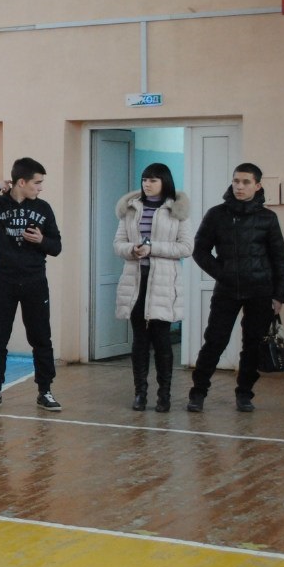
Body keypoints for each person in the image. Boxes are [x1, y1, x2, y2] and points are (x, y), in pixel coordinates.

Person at [187, 163, 284, 413]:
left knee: (252, 345)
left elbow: (279, 259)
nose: (239, 186)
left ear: (257, 185)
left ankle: (244, 394)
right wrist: (223, 274)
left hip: (261, 292)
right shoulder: (216, 214)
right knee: (215, 341)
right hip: (227, 291)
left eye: (245, 182)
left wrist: (279, 295)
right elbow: (200, 250)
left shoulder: (268, 218)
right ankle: (198, 392)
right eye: (236, 181)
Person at [0, 157, 63, 411]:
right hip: (4, 281)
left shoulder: (43, 208)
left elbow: (56, 247)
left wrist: (41, 240)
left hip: (34, 281)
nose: (40, 187)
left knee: (41, 337)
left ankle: (45, 391)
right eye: (36, 183)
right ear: (21, 182)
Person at [112, 163, 193, 413]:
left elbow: (185, 247)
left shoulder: (176, 209)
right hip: (136, 280)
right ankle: (140, 393)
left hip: (163, 282)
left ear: (164, 182)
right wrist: (133, 249)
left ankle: (164, 395)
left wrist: (153, 248)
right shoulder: (131, 208)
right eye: (145, 179)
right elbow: (118, 243)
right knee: (139, 340)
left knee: (161, 340)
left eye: (153, 180)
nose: (147, 184)